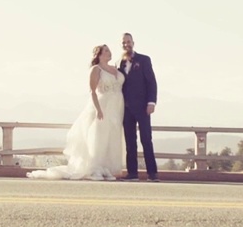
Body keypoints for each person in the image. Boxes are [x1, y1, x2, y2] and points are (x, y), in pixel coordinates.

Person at [27, 44, 125, 180]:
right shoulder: (96, 70)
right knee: (98, 137)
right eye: (106, 51)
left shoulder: (115, 69)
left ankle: (106, 168)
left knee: (112, 138)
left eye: (109, 50)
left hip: (117, 108)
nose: (110, 53)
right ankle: (94, 168)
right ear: (99, 54)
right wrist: (98, 109)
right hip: (103, 106)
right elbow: (92, 91)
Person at [118, 32, 158, 181]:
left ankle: (152, 173)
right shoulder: (119, 63)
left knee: (146, 139)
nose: (126, 44)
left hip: (143, 107)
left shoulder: (144, 60)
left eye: (128, 41)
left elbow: (151, 83)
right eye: (123, 42)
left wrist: (151, 102)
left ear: (133, 43)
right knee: (130, 141)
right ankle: (132, 173)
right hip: (126, 109)